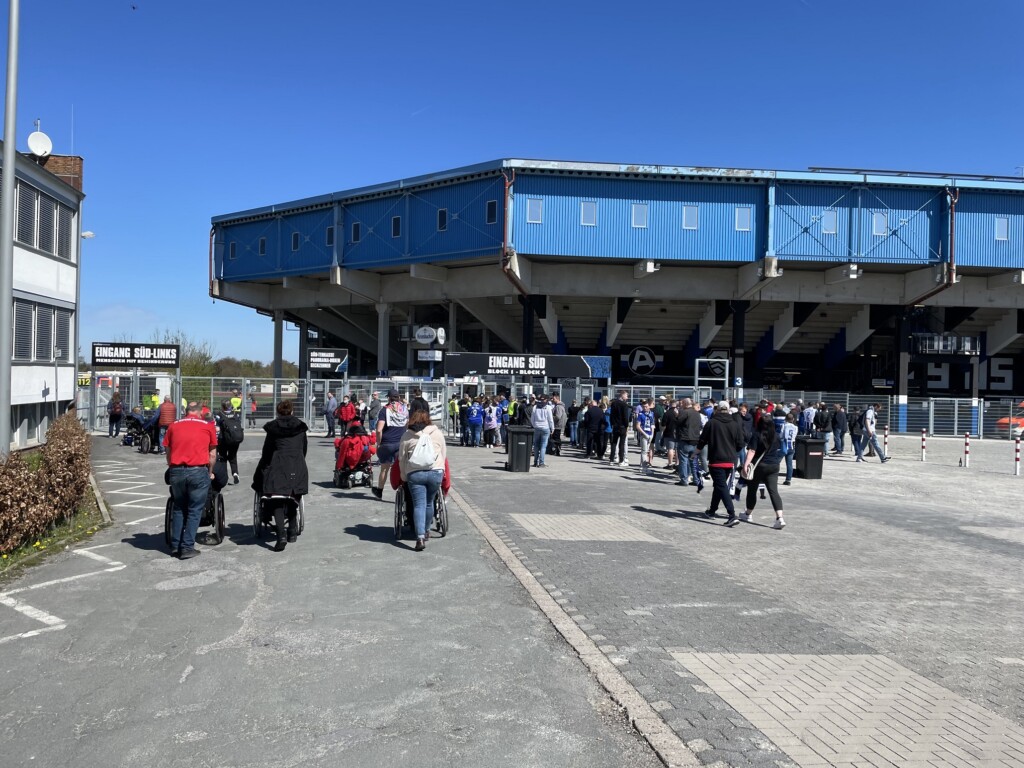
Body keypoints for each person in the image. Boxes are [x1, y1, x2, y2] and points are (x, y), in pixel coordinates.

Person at [252, 399, 309, 551]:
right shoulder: (300, 428)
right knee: (292, 498)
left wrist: (264, 467)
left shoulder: (273, 429)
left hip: (278, 465)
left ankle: (281, 535)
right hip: (297, 465)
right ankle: (292, 532)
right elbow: (304, 449)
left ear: (277, 412)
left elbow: (267, 452)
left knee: (276, 501)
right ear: (292, 411)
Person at [163, 401, 217, 559]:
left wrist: (171, 466)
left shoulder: (173, 425)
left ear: (186, 412)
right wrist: (210, 472)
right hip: (198, 470)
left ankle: (175, 545)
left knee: (179, 507)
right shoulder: (207, 426)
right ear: (200, 413)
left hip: (177, 470)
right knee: (195, 510)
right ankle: (187, 547)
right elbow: (212, 455)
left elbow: (168, 450)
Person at [398, 398, 447, 551]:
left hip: (415, 473)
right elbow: (444, 455)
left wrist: (403, 475)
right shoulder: (437, 433)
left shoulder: (407, 435)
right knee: (429, 502)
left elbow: (401, 458)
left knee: (418, 504)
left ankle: (419, 537)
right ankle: (426, 531)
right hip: (435, 472)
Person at [696, 402, 745, 526]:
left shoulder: (711, 423)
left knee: (721, 486)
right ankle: (712, 511)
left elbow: (702, 440)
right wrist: (733, 451)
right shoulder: (734, 424)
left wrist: (695, 452)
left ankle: (732, 514)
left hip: (716, 459)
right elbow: (740, 444)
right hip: (730, 460)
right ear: (728, 410)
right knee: (719, 485)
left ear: (717, 410)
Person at [740, 412, 786, 529]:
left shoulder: (756, 435)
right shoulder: (776, 435)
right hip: (774, 466)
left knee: (752, 490)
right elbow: (780, 450)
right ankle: (779, 518)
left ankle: (748, 514)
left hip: (759, 466)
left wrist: (745, 465)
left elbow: (752, 451)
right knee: (773, 491)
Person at [372, 389, 408, 499]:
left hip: (387, 443)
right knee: (402, 468)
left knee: (384, 468)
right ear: (398, 397)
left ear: (388, 397)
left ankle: (379, 491)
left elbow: (379, 430)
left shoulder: (385, 410)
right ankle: (404, 490)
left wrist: (378, 443)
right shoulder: (404, 409)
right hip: (401, 442)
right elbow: (407, 424)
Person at [215, 399, 245, 484]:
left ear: (222, 406)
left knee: (222, 457)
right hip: (234, 439)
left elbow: (217, 427)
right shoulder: (236, 414)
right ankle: (235, 473)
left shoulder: (219, 415)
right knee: (232, 456)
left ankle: (225, 476)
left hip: (223, 439)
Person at [609, 390, 632, 466]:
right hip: (622, 426)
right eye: (626, 396)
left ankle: (611, 459)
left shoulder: (614, 403)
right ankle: (621, 460)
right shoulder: (624, 405)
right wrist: (626, 425)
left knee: (614, 442)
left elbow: (611, 415)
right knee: (621, 443)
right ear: (622, 395)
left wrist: (612, 424)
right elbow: (625, 417)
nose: (627, 397)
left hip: (615, 425)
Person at [530, 395, 554, 467]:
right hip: (545, 427)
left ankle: (535, 462)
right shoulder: (548, 408)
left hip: (537, 427)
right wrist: (552, 428)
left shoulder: (535, 407)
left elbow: (532, 419)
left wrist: (535, 425)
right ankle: (541, 463)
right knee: (543, 446)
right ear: (546, 400)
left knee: (536, 445)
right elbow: (550, 419)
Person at [635, 399, 655, 475]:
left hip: (649, 434)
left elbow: (652, 424)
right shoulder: (641, 414)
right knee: (644, 451)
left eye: (646, 406)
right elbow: (637, 426)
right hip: (644, 434)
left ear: (649, 406)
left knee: (646, 451)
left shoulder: (651, 414)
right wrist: (644, 434)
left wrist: (652, 434)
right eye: (643, 407)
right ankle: (644, 468)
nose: (645, 408)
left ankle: (642, 466)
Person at [780, 411, 798, 486]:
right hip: (791, 446)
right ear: (793, 419)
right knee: (789, 464)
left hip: (784, 445)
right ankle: (788, 480)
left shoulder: (784, 425)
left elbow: (781, 435)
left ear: (786, 419)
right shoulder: (796, 427)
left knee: (777, 462)